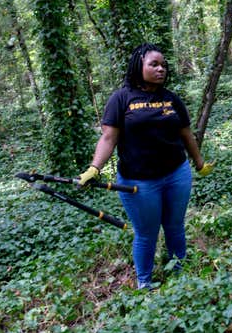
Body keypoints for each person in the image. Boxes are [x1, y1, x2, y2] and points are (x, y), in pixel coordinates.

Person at [78, 43, 213, 290]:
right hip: (138, 182)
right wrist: (94, 168)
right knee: (146, 233)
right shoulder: (121, 99)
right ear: (138, 66)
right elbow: (109, 138)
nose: (161, 69)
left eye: (163, 65)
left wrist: (199, 163)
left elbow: (186, 134)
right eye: (154, 64)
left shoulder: (171, 98)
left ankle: (180, 272)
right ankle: (145, 282)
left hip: (177, 174)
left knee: (174, 226)